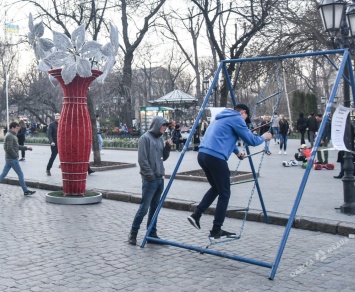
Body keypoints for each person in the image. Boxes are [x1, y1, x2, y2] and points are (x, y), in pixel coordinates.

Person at [187, 104, 272, 239]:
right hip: (215, 157)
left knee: (216, 188)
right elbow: (251, 140)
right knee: (225, 193)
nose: (244, 122)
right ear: (243, 112)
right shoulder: (237, 118)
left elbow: (226, 137)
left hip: (203, 155)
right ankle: (216, 229)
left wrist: (237, 153)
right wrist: (265, 137)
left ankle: (196, 215)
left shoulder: (220, 117)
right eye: (246, 118)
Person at [128, 116, 173, 245]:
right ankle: (133, 233)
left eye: (166, 126)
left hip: (160, 178)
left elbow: (163, 158)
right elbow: (142, 160)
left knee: (155, 208)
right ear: (157, 125)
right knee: (144, 208)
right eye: (163, 125)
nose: (165, 128)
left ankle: (151, 234)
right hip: (150, 180)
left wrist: (167, 148)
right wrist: (151, 176)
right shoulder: (145, 138)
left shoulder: (160, 139)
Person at [0, 122, 36, 196]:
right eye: (17, 128)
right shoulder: (10, 136)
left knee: (3, 175)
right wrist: (15, 155)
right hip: (12, 159)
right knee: (20, 174)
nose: (17, 129)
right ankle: (25, 190)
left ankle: (25, 190)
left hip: (9, 159)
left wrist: (26, 148)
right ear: (12, 128)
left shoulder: (11, 135)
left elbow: (16, 146)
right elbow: (9, 148)